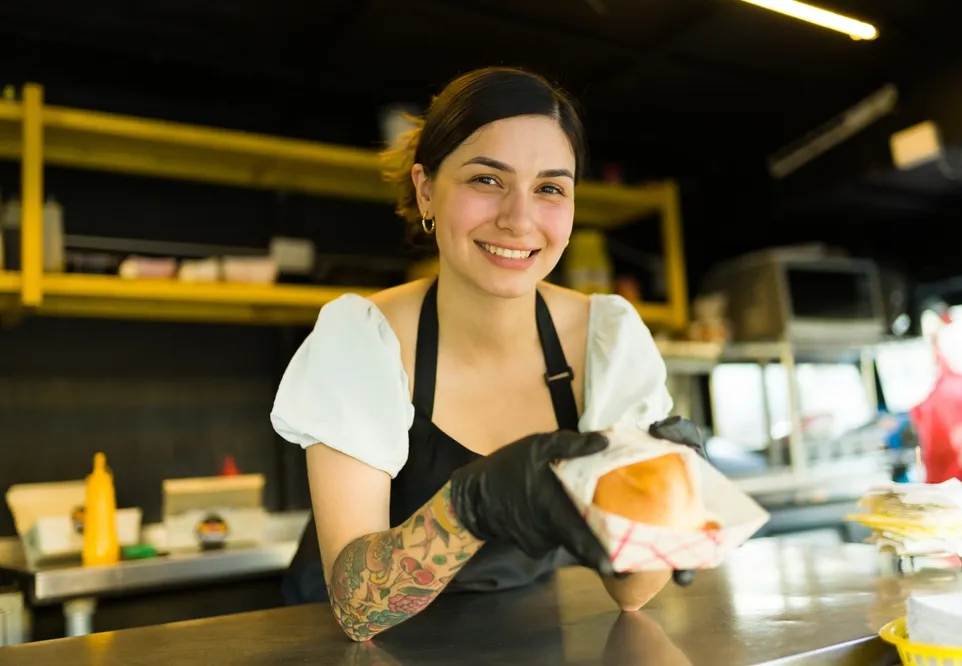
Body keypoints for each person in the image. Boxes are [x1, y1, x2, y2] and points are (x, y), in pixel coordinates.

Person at [270, 66, 705, 642]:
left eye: (550, 188)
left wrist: (666, 499)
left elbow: (631, 591)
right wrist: (470, 506)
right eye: (487, 180)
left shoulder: (607, 337)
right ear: (426, 189)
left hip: (519, 636)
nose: (519, 219)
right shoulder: (363, 338)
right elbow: (357, 611)